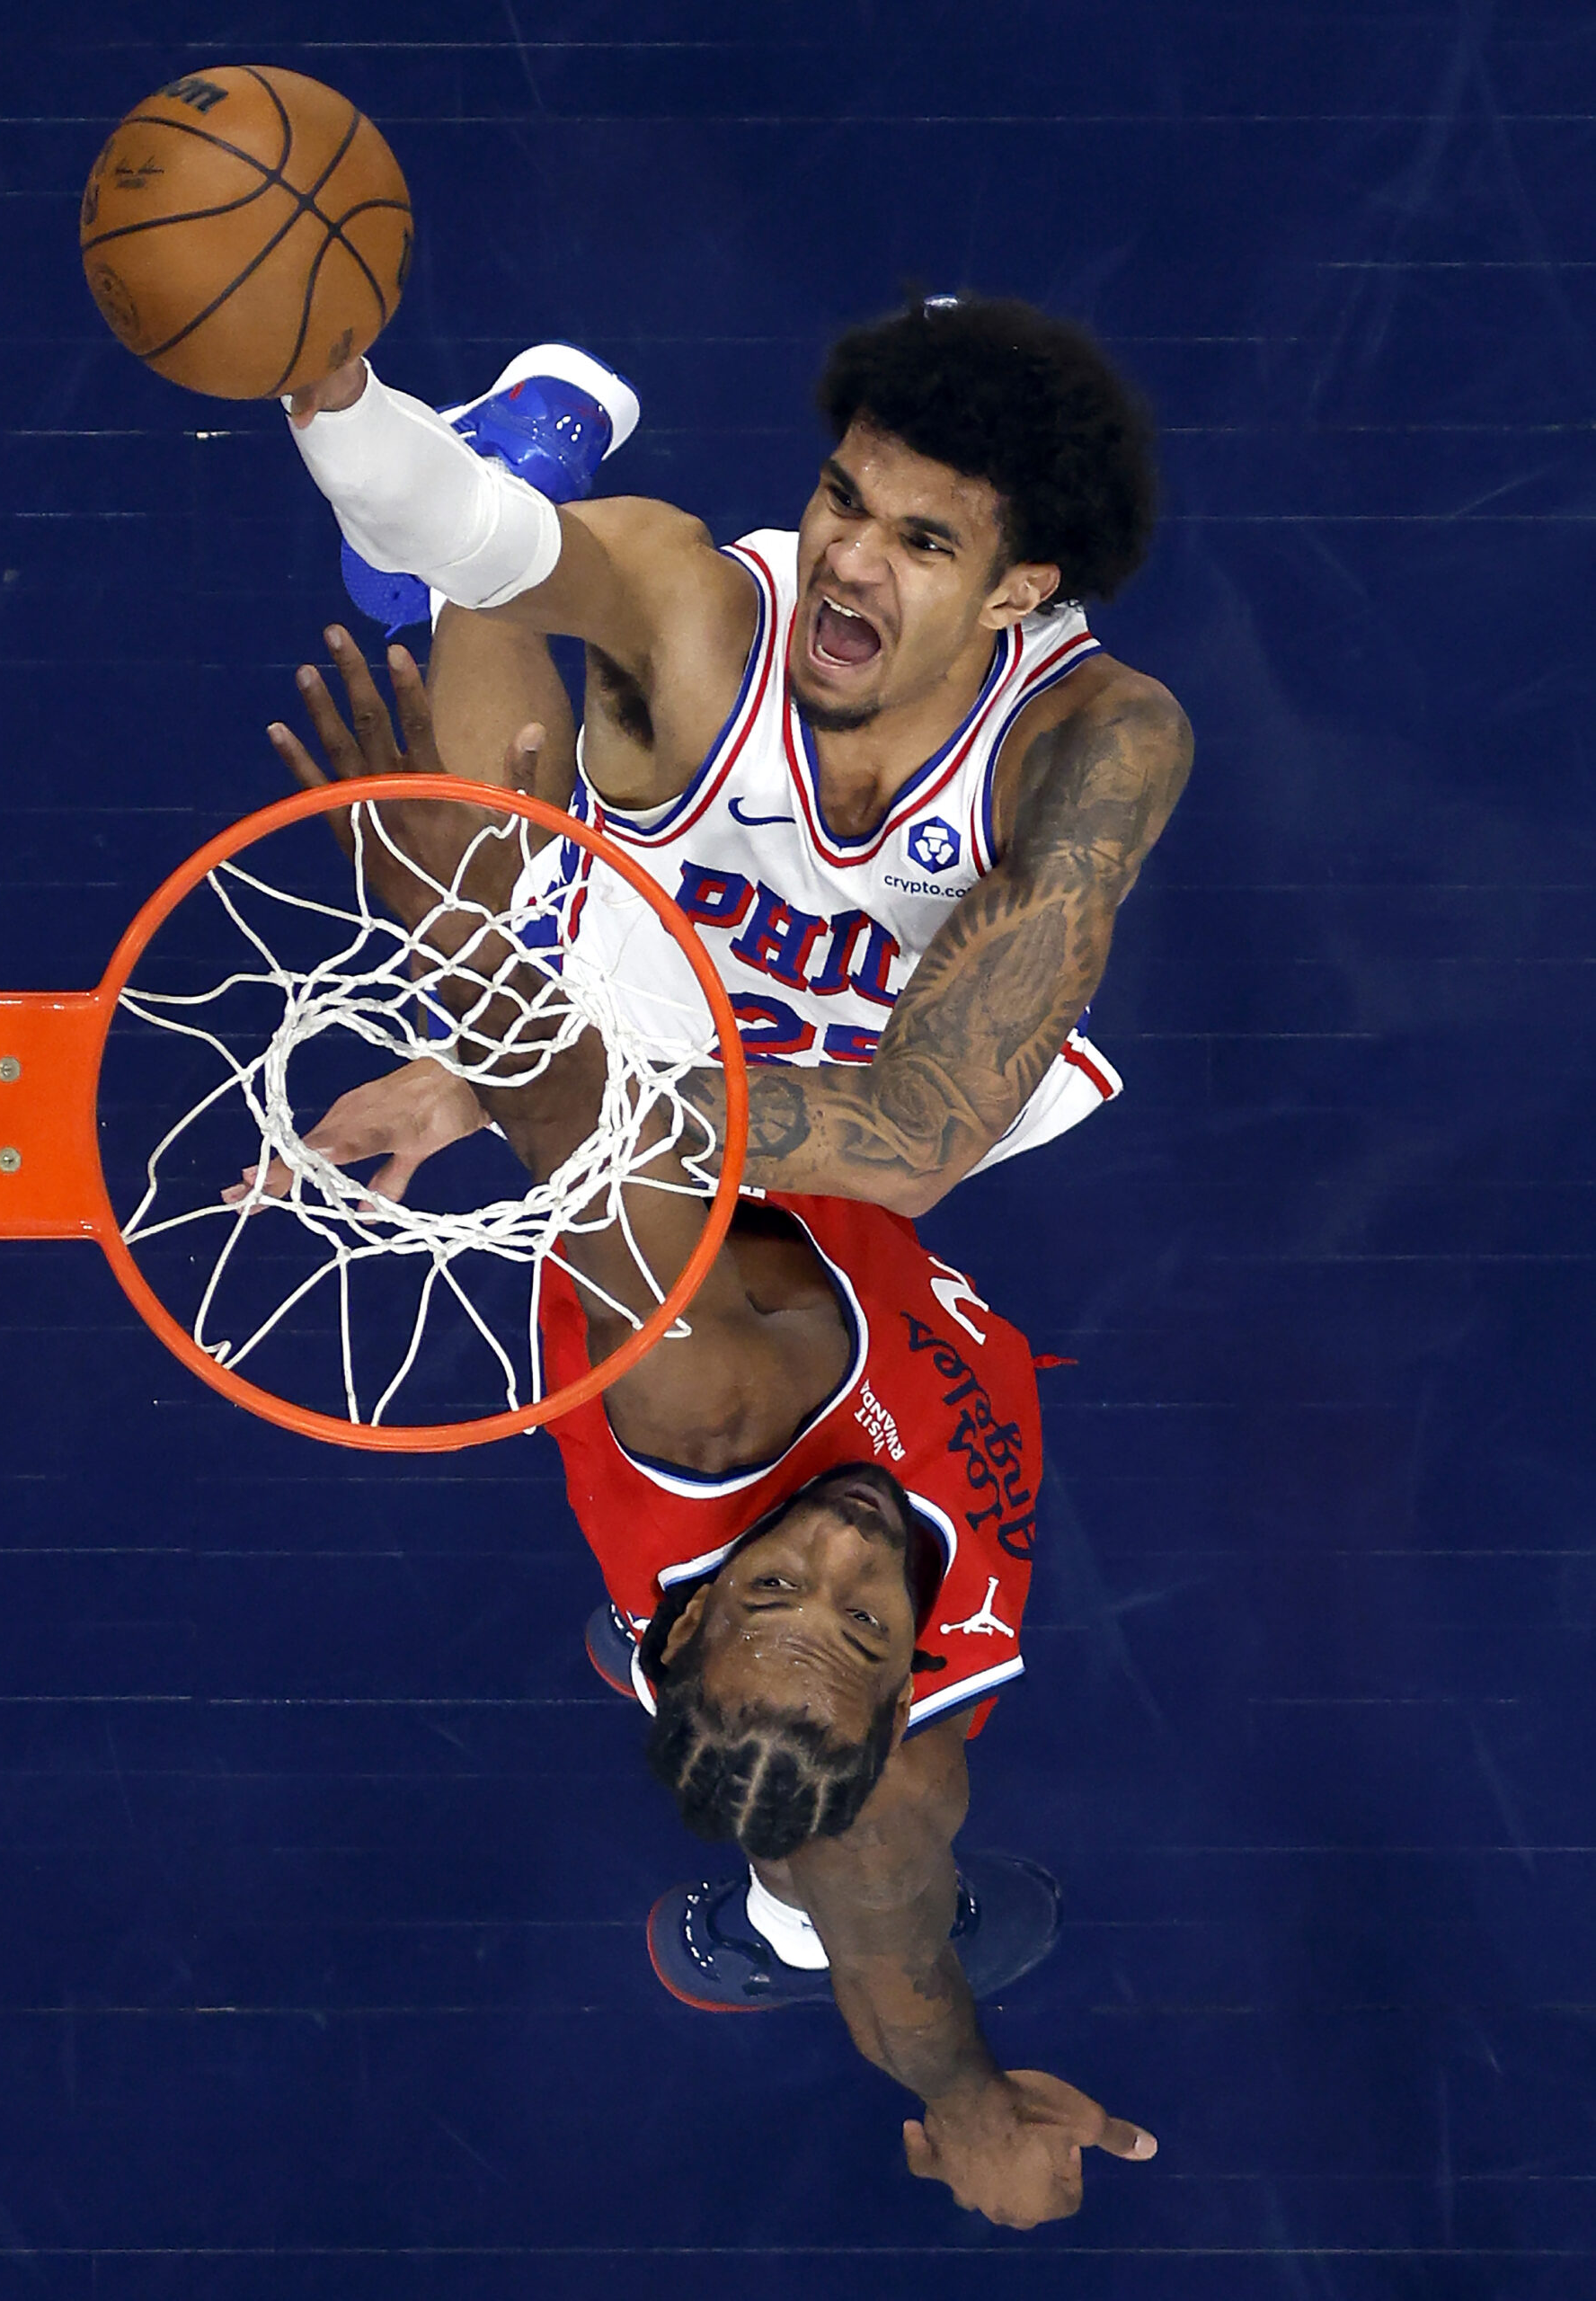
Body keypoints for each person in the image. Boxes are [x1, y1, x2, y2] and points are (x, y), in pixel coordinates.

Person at [265, 623, 1158, 2231]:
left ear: (692, 1622)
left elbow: (585, 1132)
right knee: (864, 1883)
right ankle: (774, 1876)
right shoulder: (897, 1786)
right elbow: (899, 1952)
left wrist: (458, 968)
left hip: (690, 1179)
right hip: (796, 1281)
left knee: (624, 845)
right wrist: (964, 2101)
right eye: (864, 1619)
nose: (831, 1549)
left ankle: (766, 1905)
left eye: (765, 1593)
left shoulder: (714, 1387)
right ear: (906, 1694)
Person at [279, 294, 1193, 1215]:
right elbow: (465, 529)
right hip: (628, 994)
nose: (848, 562)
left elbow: (920, 1131)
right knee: (490, 796)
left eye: (921, 542)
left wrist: (521, 1077)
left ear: (1014, 594)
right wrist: (330, 396)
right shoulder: (697, 609)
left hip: (875, 1117)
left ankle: (511, 473)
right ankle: (510, 470)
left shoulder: (1092, 738)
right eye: (844, 500)